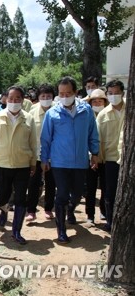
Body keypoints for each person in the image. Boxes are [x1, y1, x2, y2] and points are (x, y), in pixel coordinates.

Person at [40, 76, 99, 244]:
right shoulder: (52, 113)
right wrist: (44, 159)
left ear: (75, 92)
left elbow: (92, 133)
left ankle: (71, 209)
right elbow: (45, 138)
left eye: (68, 93)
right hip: (60, 162)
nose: (64, 97)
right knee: (63, 193)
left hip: (80, 161)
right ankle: (61, 231)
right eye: (61, 94)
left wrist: (94, 152)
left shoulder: (86, 111)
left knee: (78, 193)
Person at [0, 86, 37, 244]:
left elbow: (34, 143)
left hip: (22, 165)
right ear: (5, 99)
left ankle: (16, 231)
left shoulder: (28, 118)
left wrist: (33, 162)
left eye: (17, 98)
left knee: (20, 199)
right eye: (11, 99)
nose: (14, 102)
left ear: (23, 100)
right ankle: (3, 211)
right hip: (2, 164)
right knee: (0, 198)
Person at [96, 80, 126, 232]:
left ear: (123, 93)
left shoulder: (130, 110)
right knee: (109, 191)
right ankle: (110, 220)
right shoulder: (102, 114)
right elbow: (98, 138)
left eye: (117, 93)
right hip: (110, 159)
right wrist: (97, 158)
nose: (114, 96)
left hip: (127, 159)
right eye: (111, 93)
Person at [26, 84, 56, 222]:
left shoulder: (58, 110)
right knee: (33, 183)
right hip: (36, 155)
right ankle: (31, 211)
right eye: (43, 96)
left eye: (48, 96)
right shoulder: (32, 112)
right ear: (38, 97)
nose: (46, 99)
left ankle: (49, 209)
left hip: (54, 155)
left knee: (51, 183)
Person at [84, 89, 108, 224]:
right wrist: (92, 156)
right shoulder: (87, 115)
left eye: (100, 101)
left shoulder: (107, 114)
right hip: (90, 157)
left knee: (106, 187)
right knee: (90, 188)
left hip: (106, 157)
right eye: (94, 101)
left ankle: (104, 212)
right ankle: (90, 215)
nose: (97, 103)